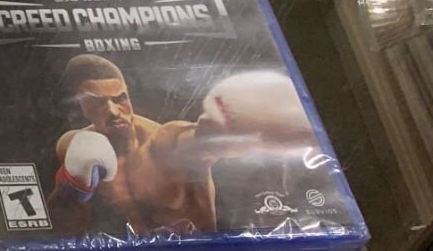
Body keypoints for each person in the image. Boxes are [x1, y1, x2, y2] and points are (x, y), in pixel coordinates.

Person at [49, 55, 311, 237]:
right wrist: (72, 189)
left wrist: (235, 125)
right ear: (81, 105)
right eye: (98, 102)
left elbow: (204, 139)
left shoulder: (166, 141)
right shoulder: (80, 144)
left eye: (120, 98)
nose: (114, 111)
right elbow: (68, 221)